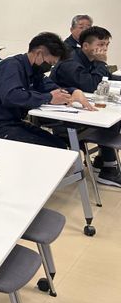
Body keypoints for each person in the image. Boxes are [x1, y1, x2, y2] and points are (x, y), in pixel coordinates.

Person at [0, 32, 94, 148]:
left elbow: (51, 87)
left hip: (14, 122)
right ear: (39, 53)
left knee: (60, 144)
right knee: (54, 149)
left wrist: (73, 92)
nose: (49, 67)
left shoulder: (34, 70)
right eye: (50, 63)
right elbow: (11, 96)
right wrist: (49, 98)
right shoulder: (11, 66)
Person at [49, 26, 121, 186]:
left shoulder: (91, 59)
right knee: (110, 119)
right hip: (62, 115)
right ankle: (109, 169)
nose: (104, 49)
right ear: (86, 46)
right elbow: (92, 86)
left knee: (115, 118)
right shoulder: (70, 62)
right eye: (100, 44)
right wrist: (101, 63)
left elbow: (106, 80)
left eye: (107, 45)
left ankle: (104, 162)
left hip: (79, 108)